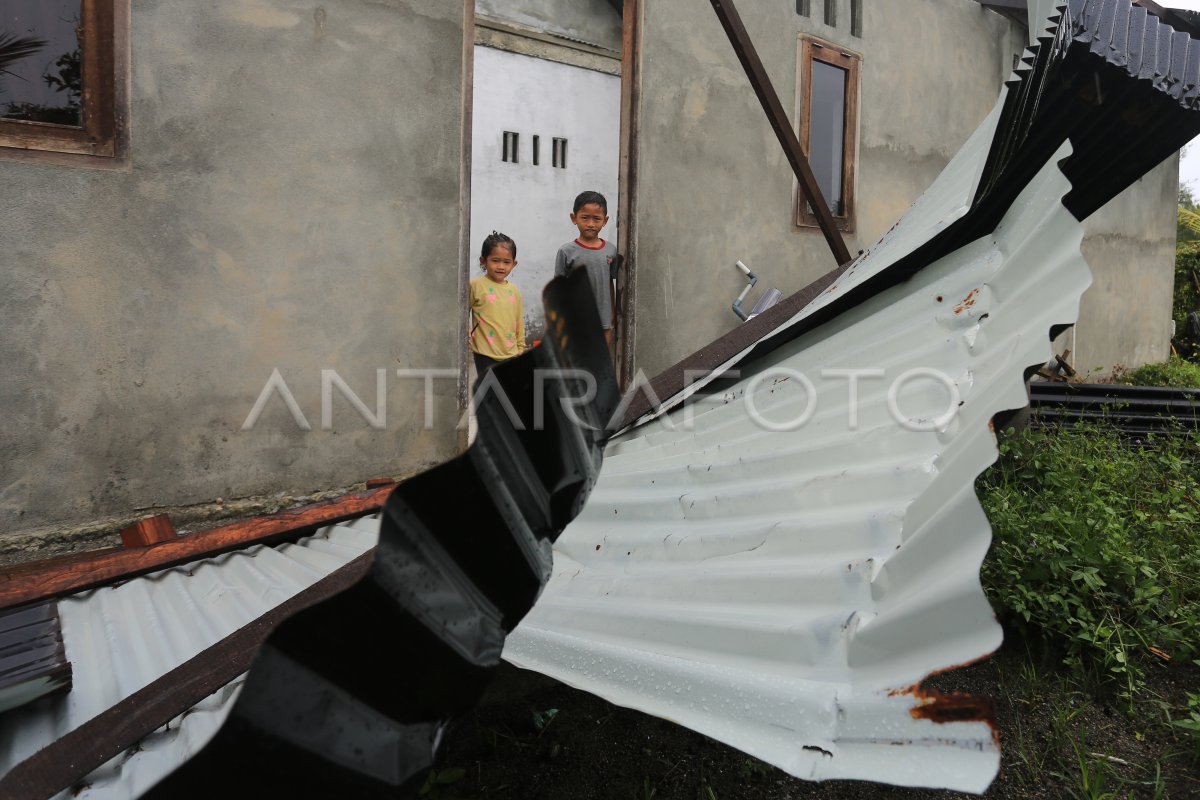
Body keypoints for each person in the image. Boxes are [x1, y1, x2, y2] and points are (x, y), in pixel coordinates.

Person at [555, 190, 617, 345]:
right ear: (574, 218)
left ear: (605, 220)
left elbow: (610, 283)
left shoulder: (611, 250)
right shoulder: (566, 252)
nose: (591, 224)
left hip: (603, 319)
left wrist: (613, 313)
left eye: (596, 219)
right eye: (585, 218)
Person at [470, 232, 525, 385]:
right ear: (483, 261)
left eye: (506, 262)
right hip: (484, 353)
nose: (501, 266)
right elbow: (462, 313)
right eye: (495, 260)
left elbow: (518, 320)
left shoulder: (514, 291)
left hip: (511, 353)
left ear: (514, 264)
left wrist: (521, 347)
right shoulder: (476, 286)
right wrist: (465, 333)